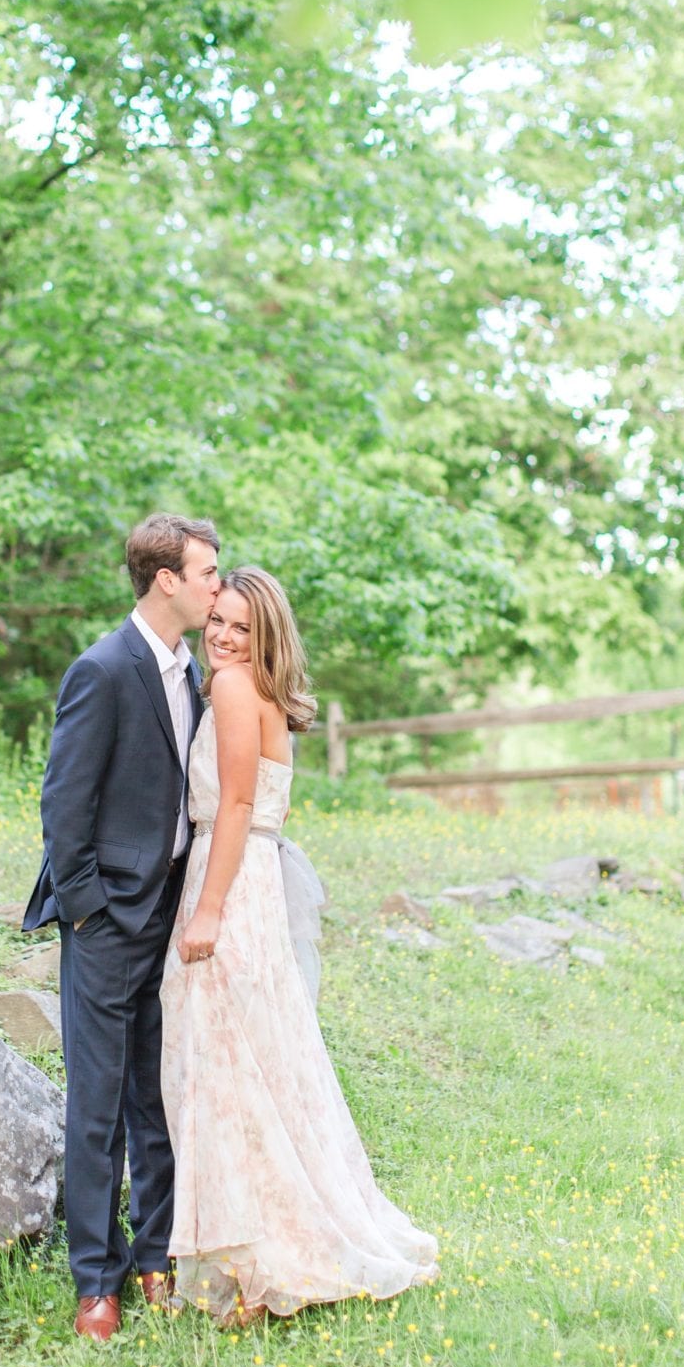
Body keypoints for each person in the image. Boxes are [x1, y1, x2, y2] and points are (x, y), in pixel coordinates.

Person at [160, 567, 439, 1325]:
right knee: (262, 1068)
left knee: (225, 1073)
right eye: (216, 619)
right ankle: (254, 1245)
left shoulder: (230, 689)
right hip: (251, 876)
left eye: (240, 628)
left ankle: (260, 1258)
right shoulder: (264, 694)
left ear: (265, 637)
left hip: (232, 883)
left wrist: (209, 910)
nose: (220, 635)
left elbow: (240, 804)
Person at [23, 513, 221, 1341]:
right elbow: (63, 805)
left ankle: (155, 1258)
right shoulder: (102, 669)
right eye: (208, 572)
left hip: (170, 916)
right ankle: (95, 1282)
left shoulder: (195, 674)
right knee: (98, 1104)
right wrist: (88, 910)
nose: (219, 584)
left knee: (157, 1095)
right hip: (106, 922)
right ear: (165, 580)